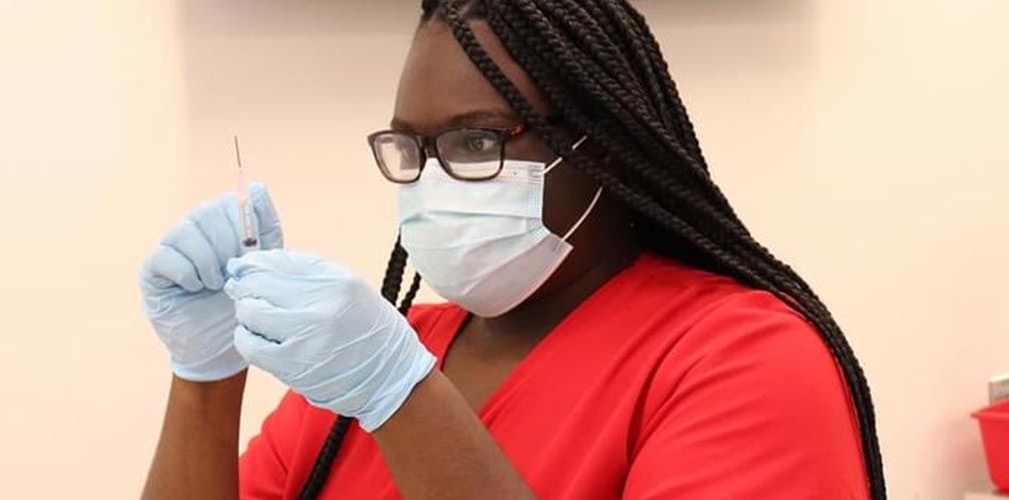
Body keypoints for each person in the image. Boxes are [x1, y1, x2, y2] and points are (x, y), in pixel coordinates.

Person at [137, 1, 884, 499]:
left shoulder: (741, 359)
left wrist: (402, 400)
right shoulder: (372, 365)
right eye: (413, 148)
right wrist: (205, 376)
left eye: (475, 140)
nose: (432, 180)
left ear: (607, 151)